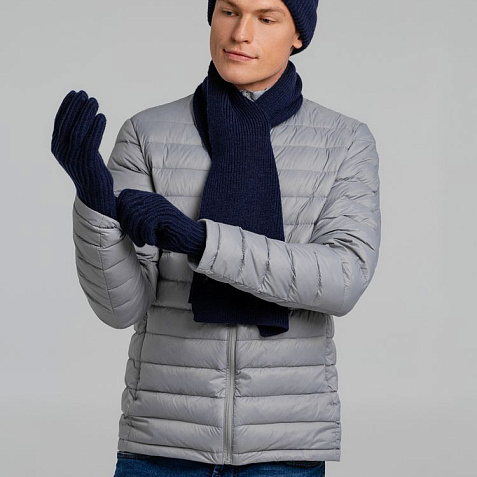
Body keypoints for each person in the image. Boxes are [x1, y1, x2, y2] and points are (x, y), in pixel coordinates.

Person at [51, 0, 381, 475]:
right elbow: (120, 308)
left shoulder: (345, 142)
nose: (240, 33)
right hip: (161, 444)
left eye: (266, 18)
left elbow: (342, 280)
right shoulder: (146, 134)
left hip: (282, 449)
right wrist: (94, 201)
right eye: (229, 11)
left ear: (298, 35)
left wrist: (201, 242)